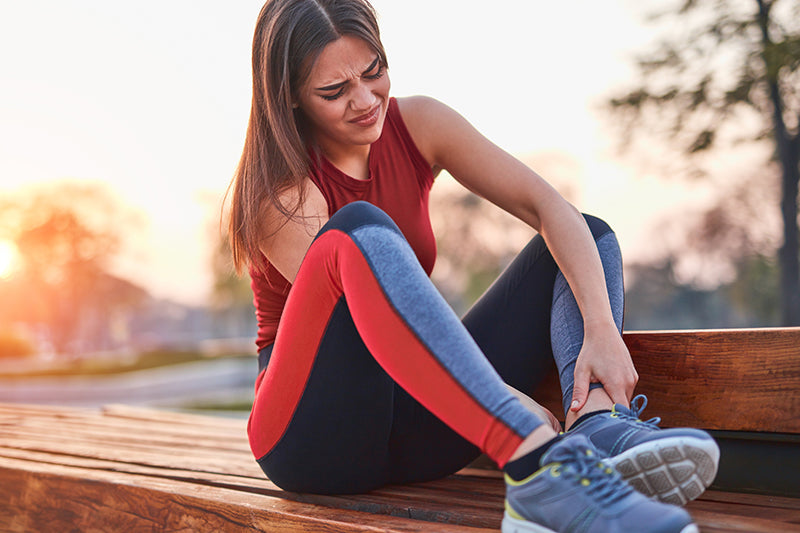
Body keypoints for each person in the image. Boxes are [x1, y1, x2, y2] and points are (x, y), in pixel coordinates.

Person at [227, 1, 720, 531]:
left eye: (374, 72)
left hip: (423, 430)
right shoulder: (278, 194)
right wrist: (507, 403)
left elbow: (547, 207)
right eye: (334, 91)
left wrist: (601, 329)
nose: (366, 100)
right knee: (356, 231)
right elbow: (362, 337)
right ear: (291, 98)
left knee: (585, 233)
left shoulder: (418, 124)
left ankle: (597, 422)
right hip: (316, 439)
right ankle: (539, 471)